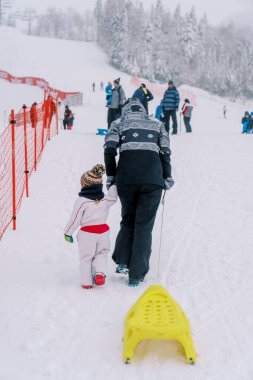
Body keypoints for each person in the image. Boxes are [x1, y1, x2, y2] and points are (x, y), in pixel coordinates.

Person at [104, 98, 174, 287]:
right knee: (144, 225)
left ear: (125, 110)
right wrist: (167, 176)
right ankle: (136, 275)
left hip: (126, 179)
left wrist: (111, 177)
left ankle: (123, 261)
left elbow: (109, 150)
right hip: (153, 179)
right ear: (144, 110)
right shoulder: (158, 124)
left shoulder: (118, 123)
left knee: (128, 219)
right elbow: (165, 151)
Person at [64, 164, 118, 289]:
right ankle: (99, 273)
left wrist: (68, 232)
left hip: (87, 234)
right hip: (103, 232)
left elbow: (75, 219)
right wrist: (114, 184)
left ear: (84, 184)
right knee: (101, 254)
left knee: (86, 258)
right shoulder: (105, 199)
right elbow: (113, 198)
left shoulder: (82, 201)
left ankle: (86, 282)